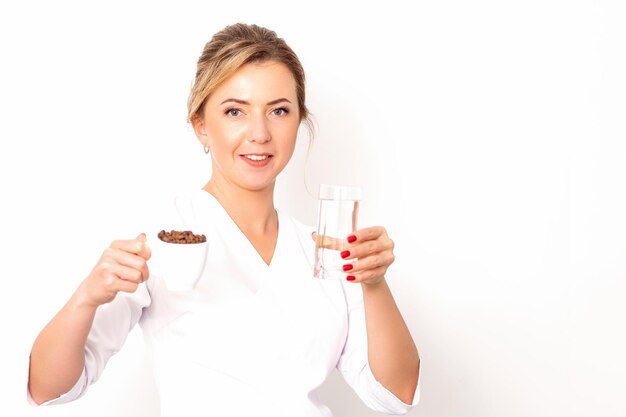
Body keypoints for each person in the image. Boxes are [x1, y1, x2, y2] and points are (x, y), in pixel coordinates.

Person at [27, 23, 420, 416]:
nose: (260, 133)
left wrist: (374, 284)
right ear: (201, 126)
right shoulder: (165, 240)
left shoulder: (325, 252)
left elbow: (396, 393)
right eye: (235, 111)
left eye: (279, 111)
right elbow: (47, 388)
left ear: (298, 122)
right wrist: (86, 297)